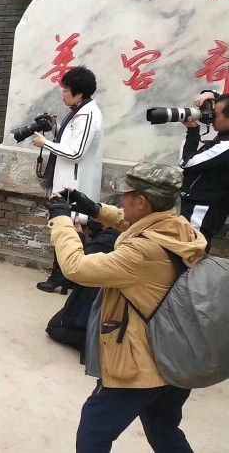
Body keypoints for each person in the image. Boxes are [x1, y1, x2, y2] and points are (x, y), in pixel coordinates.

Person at [47, 162, 207, 453]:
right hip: (176, 359)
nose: (121, 200)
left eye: (125, 195)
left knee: (94, 429)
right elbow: (135, 224)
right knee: (163, 428)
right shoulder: (178, 228)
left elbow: (76, 267)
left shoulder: (140, 253)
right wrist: (93, 208)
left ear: (141, 201)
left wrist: (60, 220)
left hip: (143, 363)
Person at [33, 66, 104, 293]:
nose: (62, 93)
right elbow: (70, 143)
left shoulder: (87, 115)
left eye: (66, 90)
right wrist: (55, 129)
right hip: (69, 180)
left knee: (69, 227)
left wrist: (45, 143)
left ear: (79, 93)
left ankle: (63, 275)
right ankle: (67, 276)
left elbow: (76, 152)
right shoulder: (79, 111)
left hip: (75, 183)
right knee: (70, 225)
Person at [44, 219, 119, 361]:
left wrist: (77, 235)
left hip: (97, 299)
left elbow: (77, 270)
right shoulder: (127, 237)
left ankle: (90, 341)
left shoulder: (109, 239)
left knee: (54, 328)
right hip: (111, 300)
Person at [180, 90, 228, 250]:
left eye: (216, 114)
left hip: (203, 210)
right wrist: (210, 94)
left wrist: (192, 131)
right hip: (197, 204)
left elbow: (187, 162)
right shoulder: (224, 136)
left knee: (191, 253)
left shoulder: (226, 146)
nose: (211, 117)